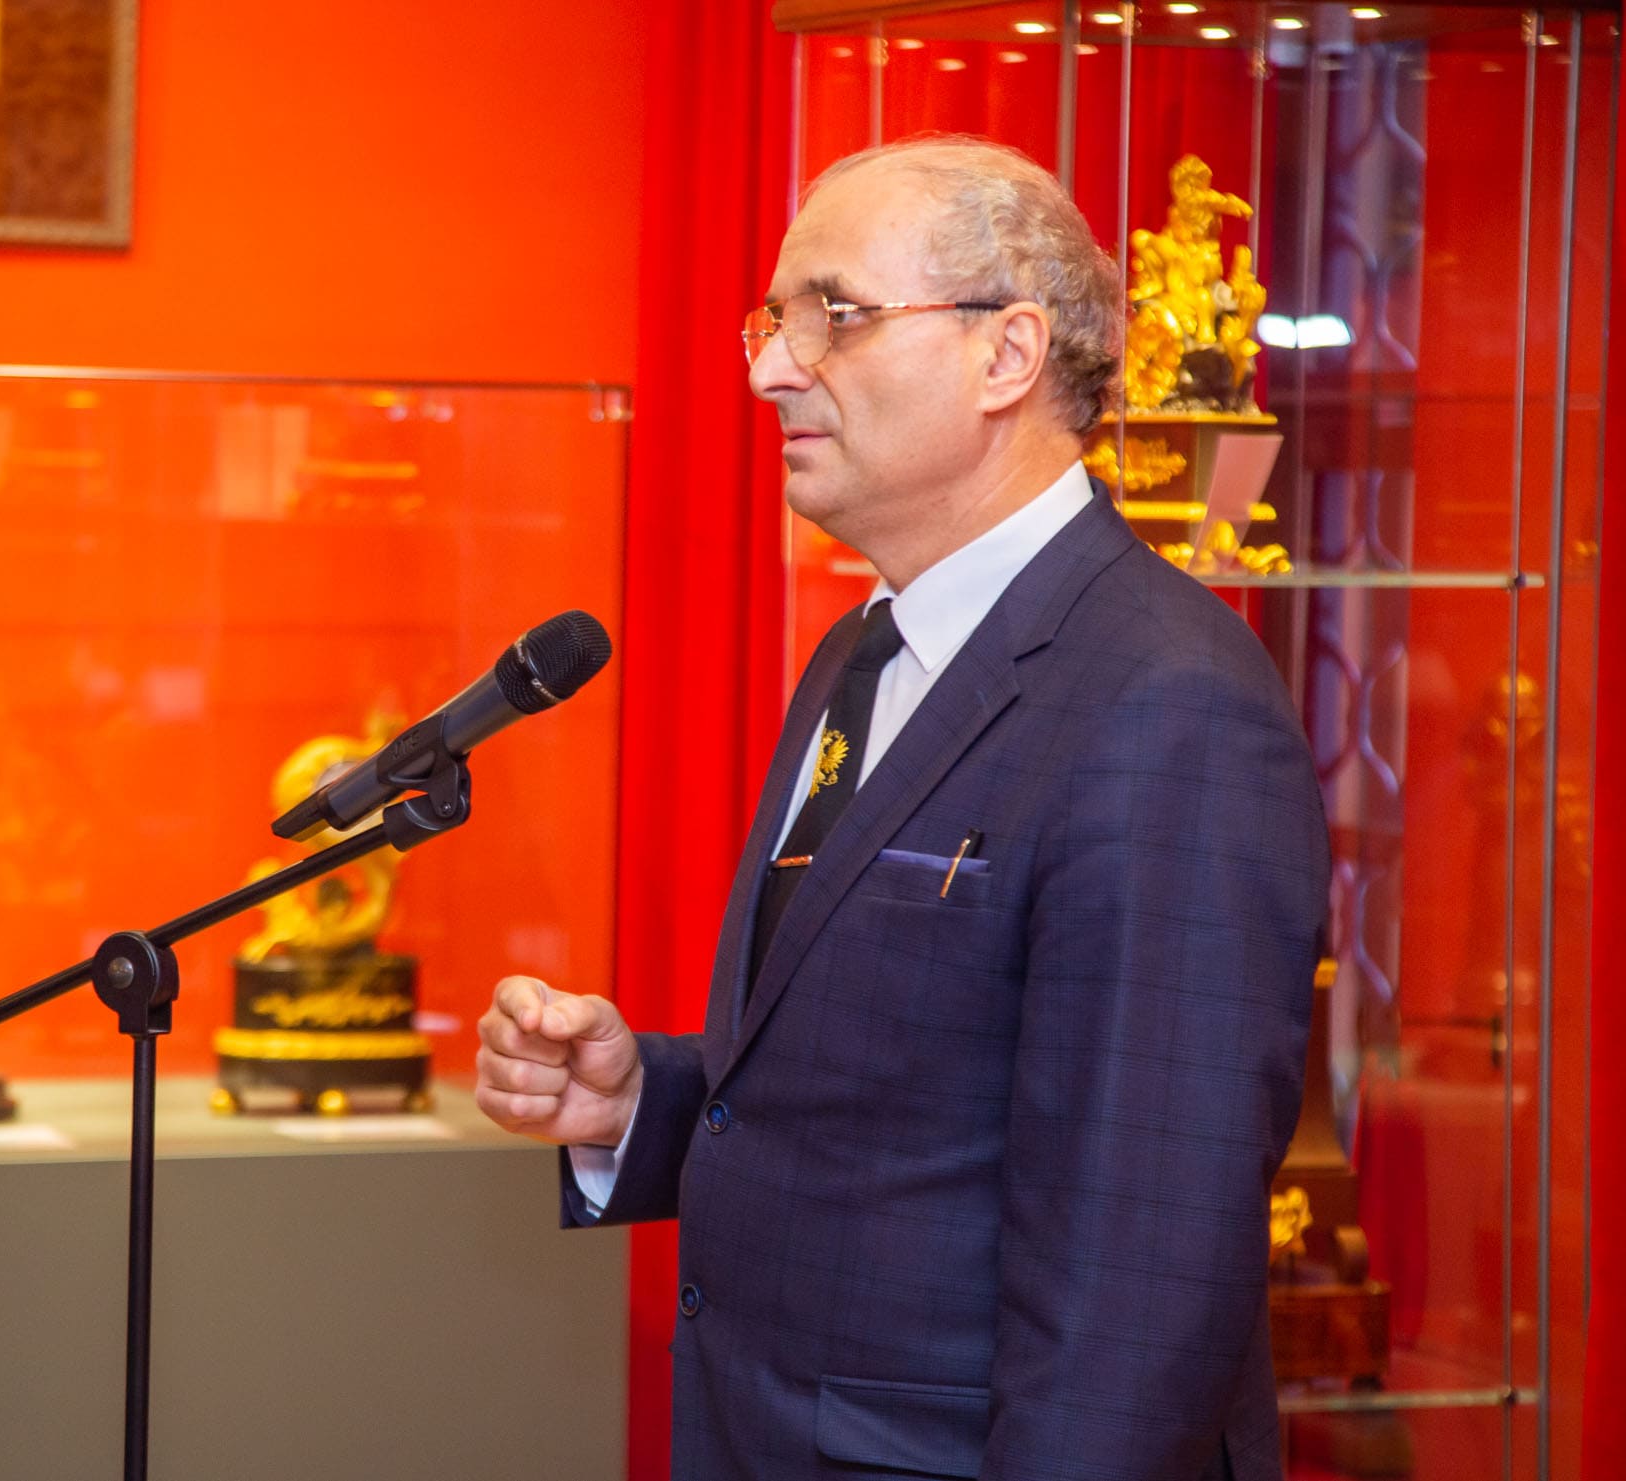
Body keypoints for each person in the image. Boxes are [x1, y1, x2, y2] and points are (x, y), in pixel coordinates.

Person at [475, 138, 1329, 1480]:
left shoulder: (1167, 703)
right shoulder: (860, 651)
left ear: (1006, 354)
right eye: (770, 321)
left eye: (834, 313)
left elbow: (1140, 1277)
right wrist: (640, 1098)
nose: (769, 368)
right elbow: (894, 1103)